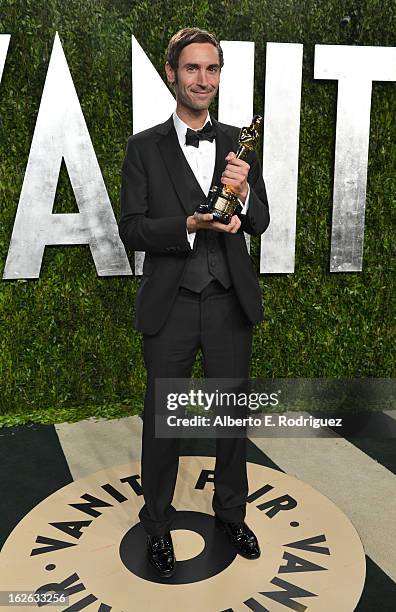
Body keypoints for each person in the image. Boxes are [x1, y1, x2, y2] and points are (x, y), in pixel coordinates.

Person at [119, 27, 269, 578]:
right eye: (191, 69)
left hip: (229, 302)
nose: (202, 79)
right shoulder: (143, 148)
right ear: (171, 74)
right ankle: (156, 525)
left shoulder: (238, 142)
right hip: (172, 305)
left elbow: (261, 219)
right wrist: (184, 223)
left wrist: (246, 194)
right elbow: (132, 228)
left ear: (219, 75)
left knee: (230, 420)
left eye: (211, 69)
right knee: (163, 424)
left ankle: (231, 513)